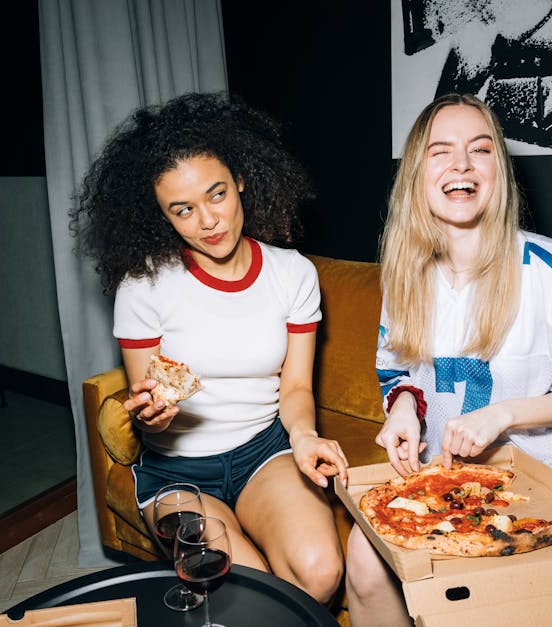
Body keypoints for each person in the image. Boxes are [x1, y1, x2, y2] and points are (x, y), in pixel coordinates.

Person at [344, 93, 552, 626]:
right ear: (416, 174)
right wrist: (403, 407)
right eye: (441, 152)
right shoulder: (406, 272)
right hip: (441, 484)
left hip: (541, 492)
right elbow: (395, 370)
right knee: (362, 560)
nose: (461, 165)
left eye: (480, 150)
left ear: (499, 170)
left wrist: (503, 414)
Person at [71, 92, 347, 604]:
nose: (208, 221)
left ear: (240, 180)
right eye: (183, 209)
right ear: (162, 216)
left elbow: (296, 385)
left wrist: (305, 436)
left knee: (322, 572)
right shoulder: (143, 285)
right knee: (249, 594)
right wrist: (154, 416)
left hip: (264, 454)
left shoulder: (294, 275)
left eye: (217, 194)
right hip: (176, 471)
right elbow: (149, 399)